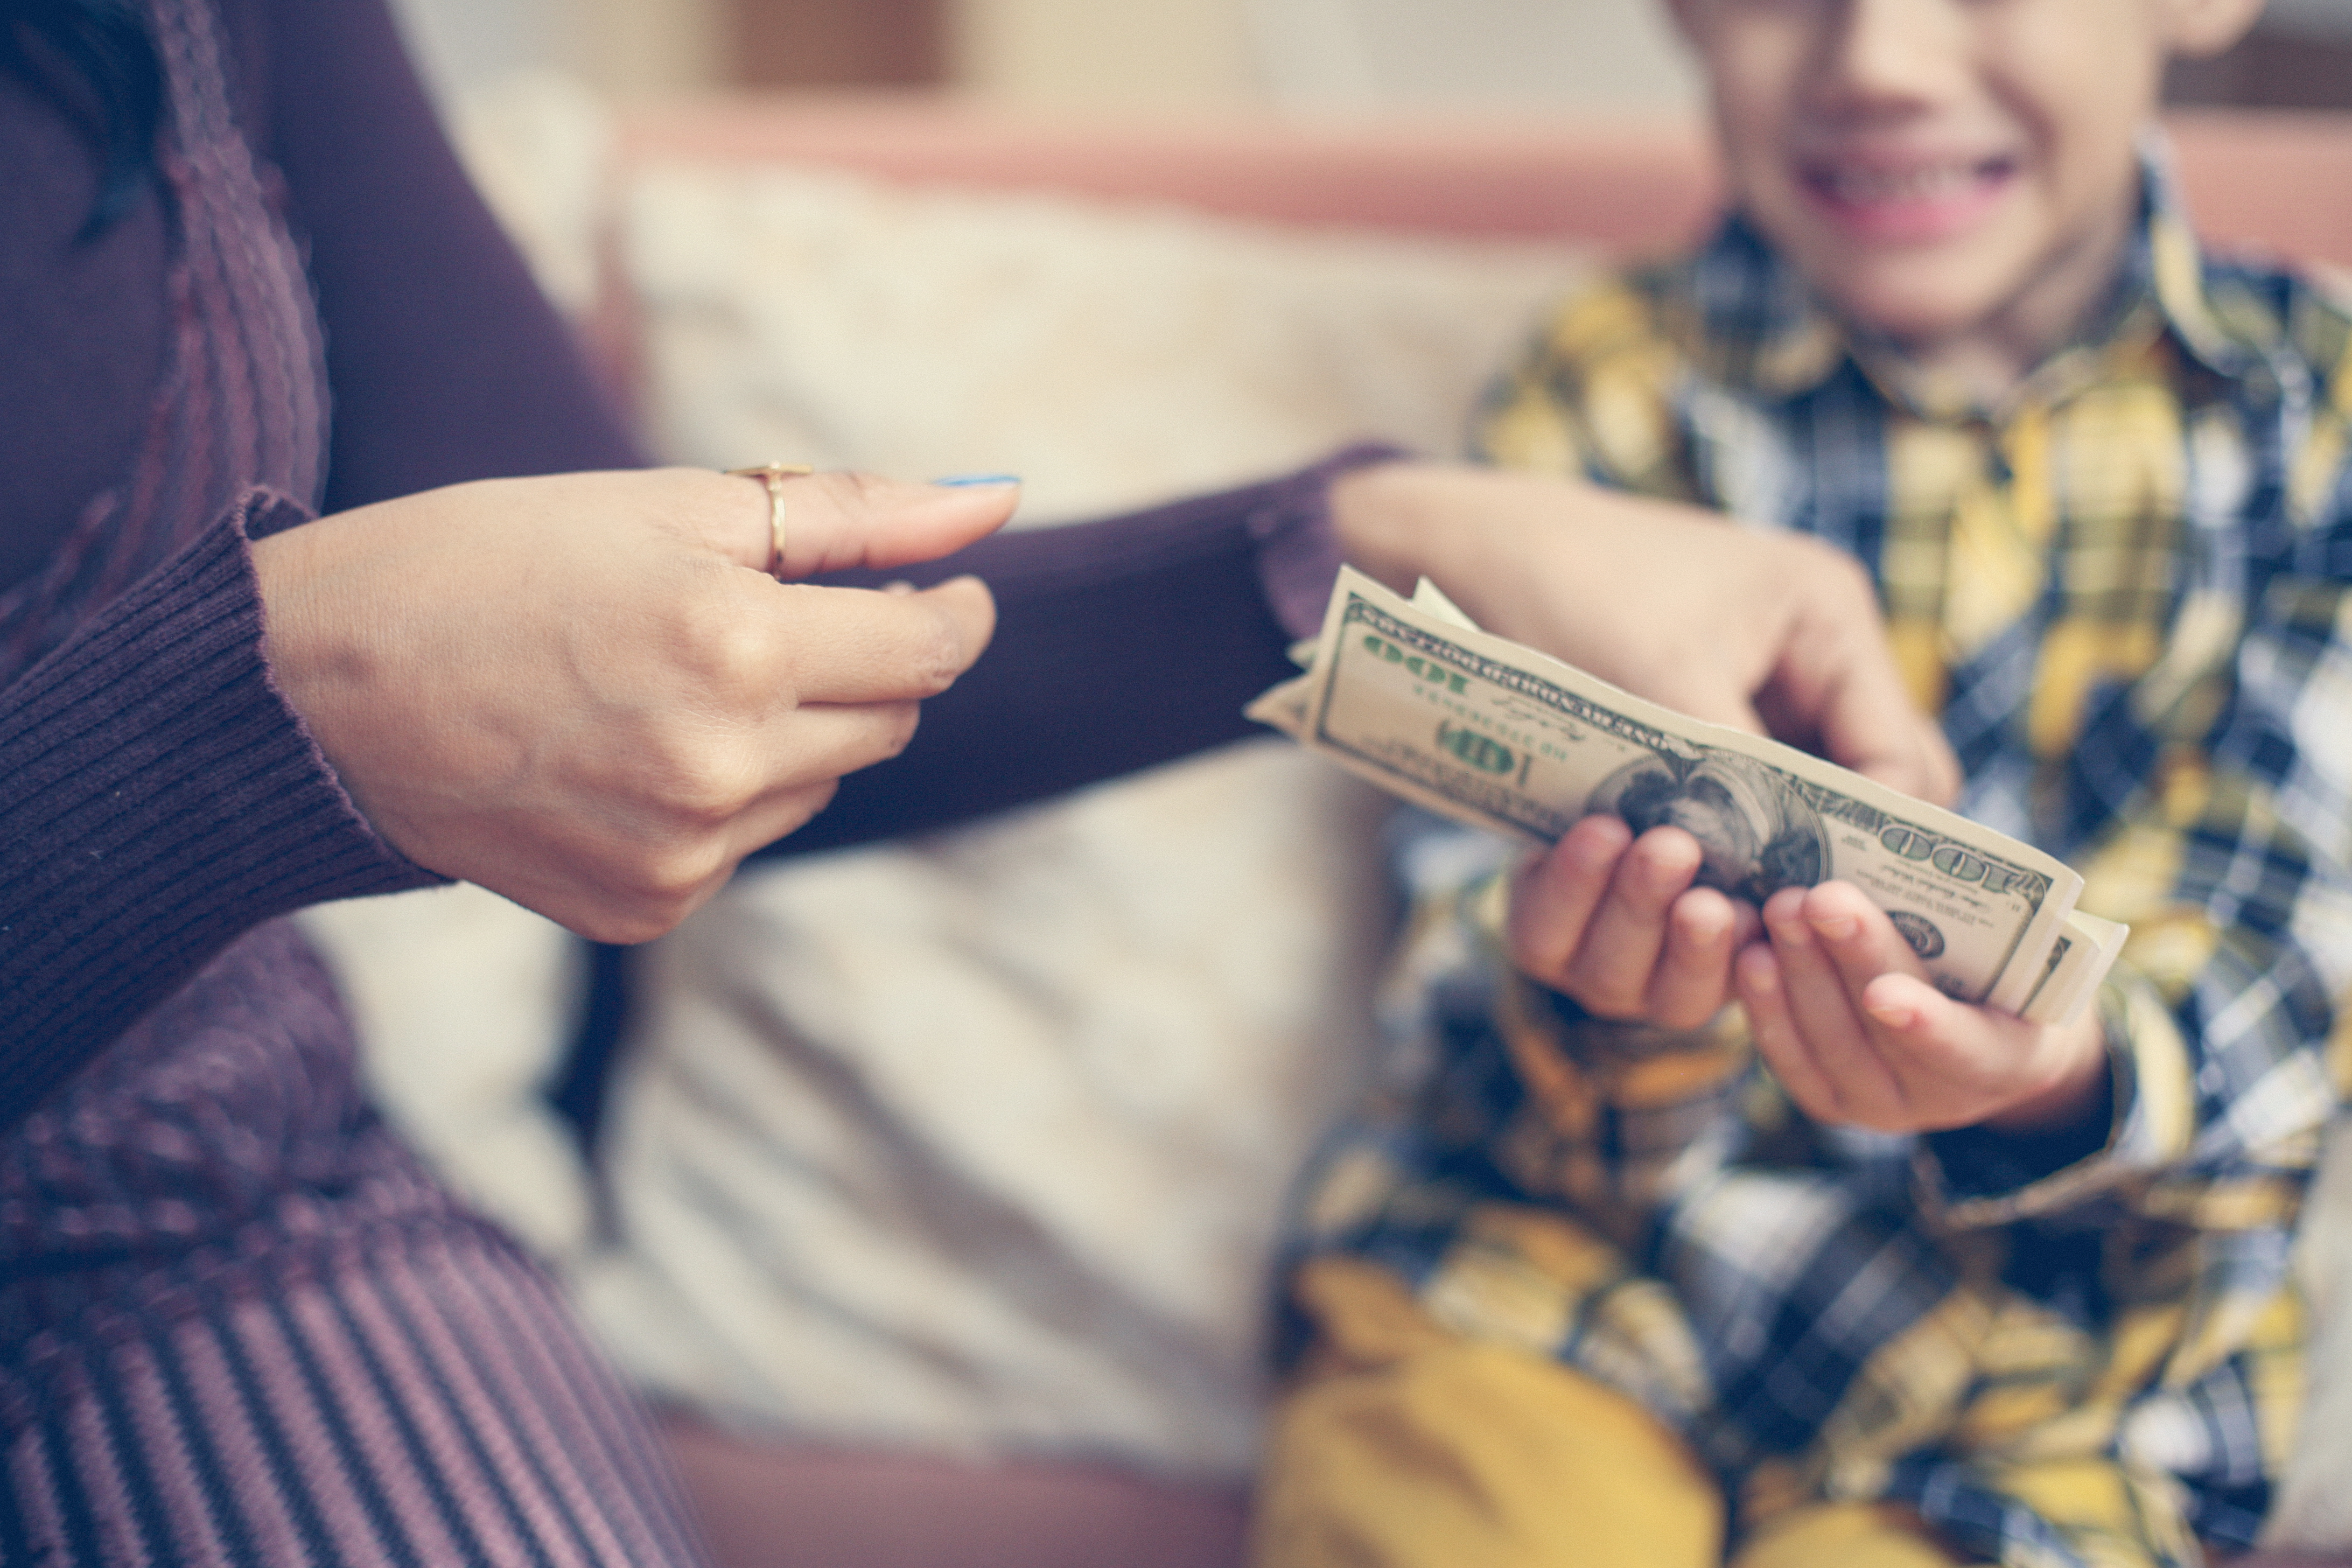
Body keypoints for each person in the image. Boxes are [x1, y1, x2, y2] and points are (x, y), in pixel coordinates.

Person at [0, 0, 1949, 1562]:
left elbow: (698, 691)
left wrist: (1353, 547)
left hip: (197, 1209)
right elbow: (355, 696)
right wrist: (266, 718)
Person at [1257, 1, 2352, 1565]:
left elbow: (2296, 963)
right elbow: (1463, 951)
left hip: (2056, 1418)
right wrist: (1615, 1001)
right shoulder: (1600, 388)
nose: (1882, 62)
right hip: (1529, 1299)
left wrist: (2049, 1072)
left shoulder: (2327, 421)